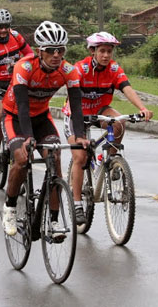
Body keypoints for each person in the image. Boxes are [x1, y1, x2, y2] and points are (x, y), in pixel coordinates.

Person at [1, 21, 88, 237]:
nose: (56, 54)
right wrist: (28, 138)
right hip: (15, 118)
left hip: (41, 118)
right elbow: (21, 106)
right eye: (51, 50)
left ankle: (54, 221)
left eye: (61, 50)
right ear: (40, 51)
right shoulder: (25, 67)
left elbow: (76, 106)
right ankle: (10, 207)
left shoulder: (69, 70)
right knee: (21, 159)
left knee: (55, 159)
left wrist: (80, 137)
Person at [64, 31, 153, 225]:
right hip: (77, 113)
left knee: (119, 122)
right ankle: (78, 204)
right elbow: (72, 96)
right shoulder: (80, 68)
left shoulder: (114, 69)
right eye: (102, 51)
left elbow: (127, 88)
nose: (106, 55)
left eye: (109, 51)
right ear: (92, 51)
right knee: (80, 157)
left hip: (100, 110)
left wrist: (142, 108)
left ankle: (112, 160)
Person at [0, 8, 34, 170]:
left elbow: (30, 55)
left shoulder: (16, 37)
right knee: (1, 112)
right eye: (0, 27)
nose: (3, 30)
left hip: (14, 81)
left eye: (6, 26)